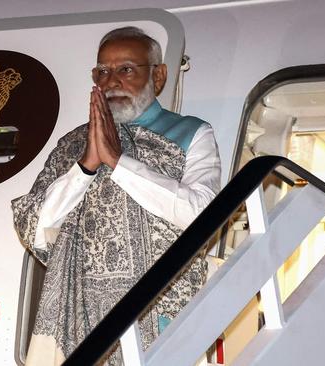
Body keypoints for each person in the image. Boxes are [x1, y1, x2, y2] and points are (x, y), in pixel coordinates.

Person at [11, 26, 221, 365]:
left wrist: (119, 163)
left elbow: (203, 214)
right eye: (103, 72)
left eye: (126, 69)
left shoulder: (191, 133)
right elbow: (36, 229)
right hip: (81, 322)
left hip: (164, 317)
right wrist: (86, 166)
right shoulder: (73, 145)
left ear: (160, 75)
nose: (111, 81)